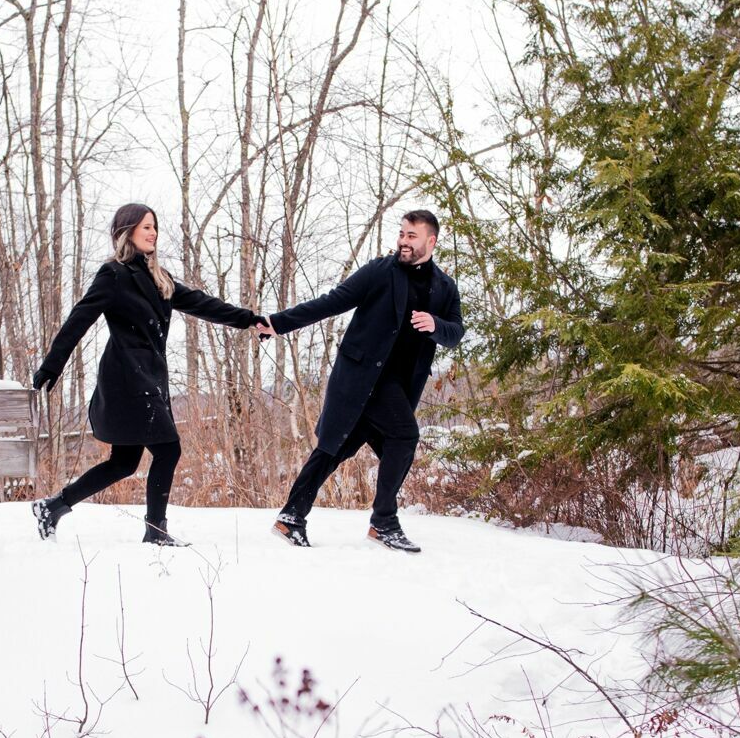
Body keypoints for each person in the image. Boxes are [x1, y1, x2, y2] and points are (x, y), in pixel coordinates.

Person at [30, 203, 263, 545]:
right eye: (145, 227)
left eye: (154, 227)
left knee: (124, 462)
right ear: (127, 232)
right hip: (127, 379)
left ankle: (53, 507)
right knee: (168, 450)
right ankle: (155, 531)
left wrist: (249, 319)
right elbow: (79, 319)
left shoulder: (159, 278)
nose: (153, 233)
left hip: (149, 377)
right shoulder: (114, 275)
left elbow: (202, 303)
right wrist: (53, 364)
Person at [258, 210, 464, 552]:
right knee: (405, 435)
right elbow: (332, 302)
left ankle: (291, 517)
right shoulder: (380, 272)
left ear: (431, 240)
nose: (403, 241)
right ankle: (383, 522)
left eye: (411, 236)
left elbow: (456, 332)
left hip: (400, 387)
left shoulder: (444, 286)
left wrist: (435, 325)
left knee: (335, 448)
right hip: (362, 379)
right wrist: (278, 323)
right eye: (401, 234)